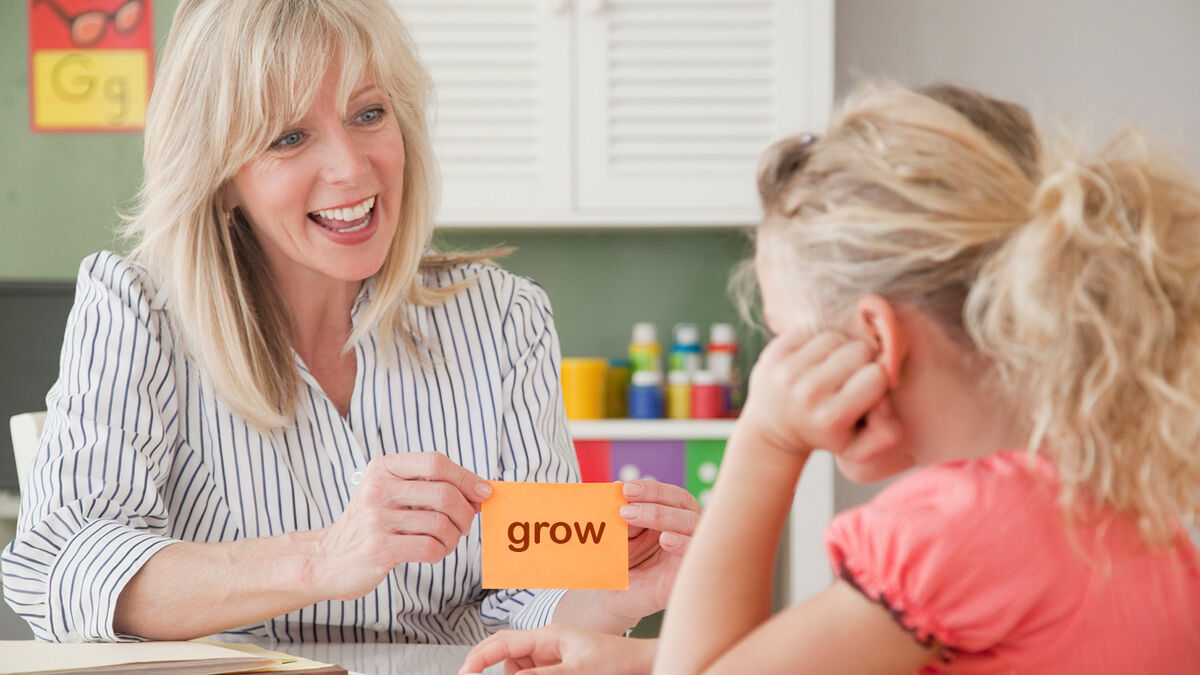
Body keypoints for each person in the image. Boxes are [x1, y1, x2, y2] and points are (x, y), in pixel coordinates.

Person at [1, 0, 699, 644]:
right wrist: (324, 557)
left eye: (369, 114)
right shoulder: (137, 308)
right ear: (219, 183)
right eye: (290, 136)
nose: (351, 166)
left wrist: (615, 595)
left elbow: (534, 598)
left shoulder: (501, 315)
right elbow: (60, 564)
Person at [459, 83, 1200, 674]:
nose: (775, 368)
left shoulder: (956, 527)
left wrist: (764, 439)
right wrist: (640, 661)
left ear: (876, 338)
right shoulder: (1112, 504)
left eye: (785, 338)